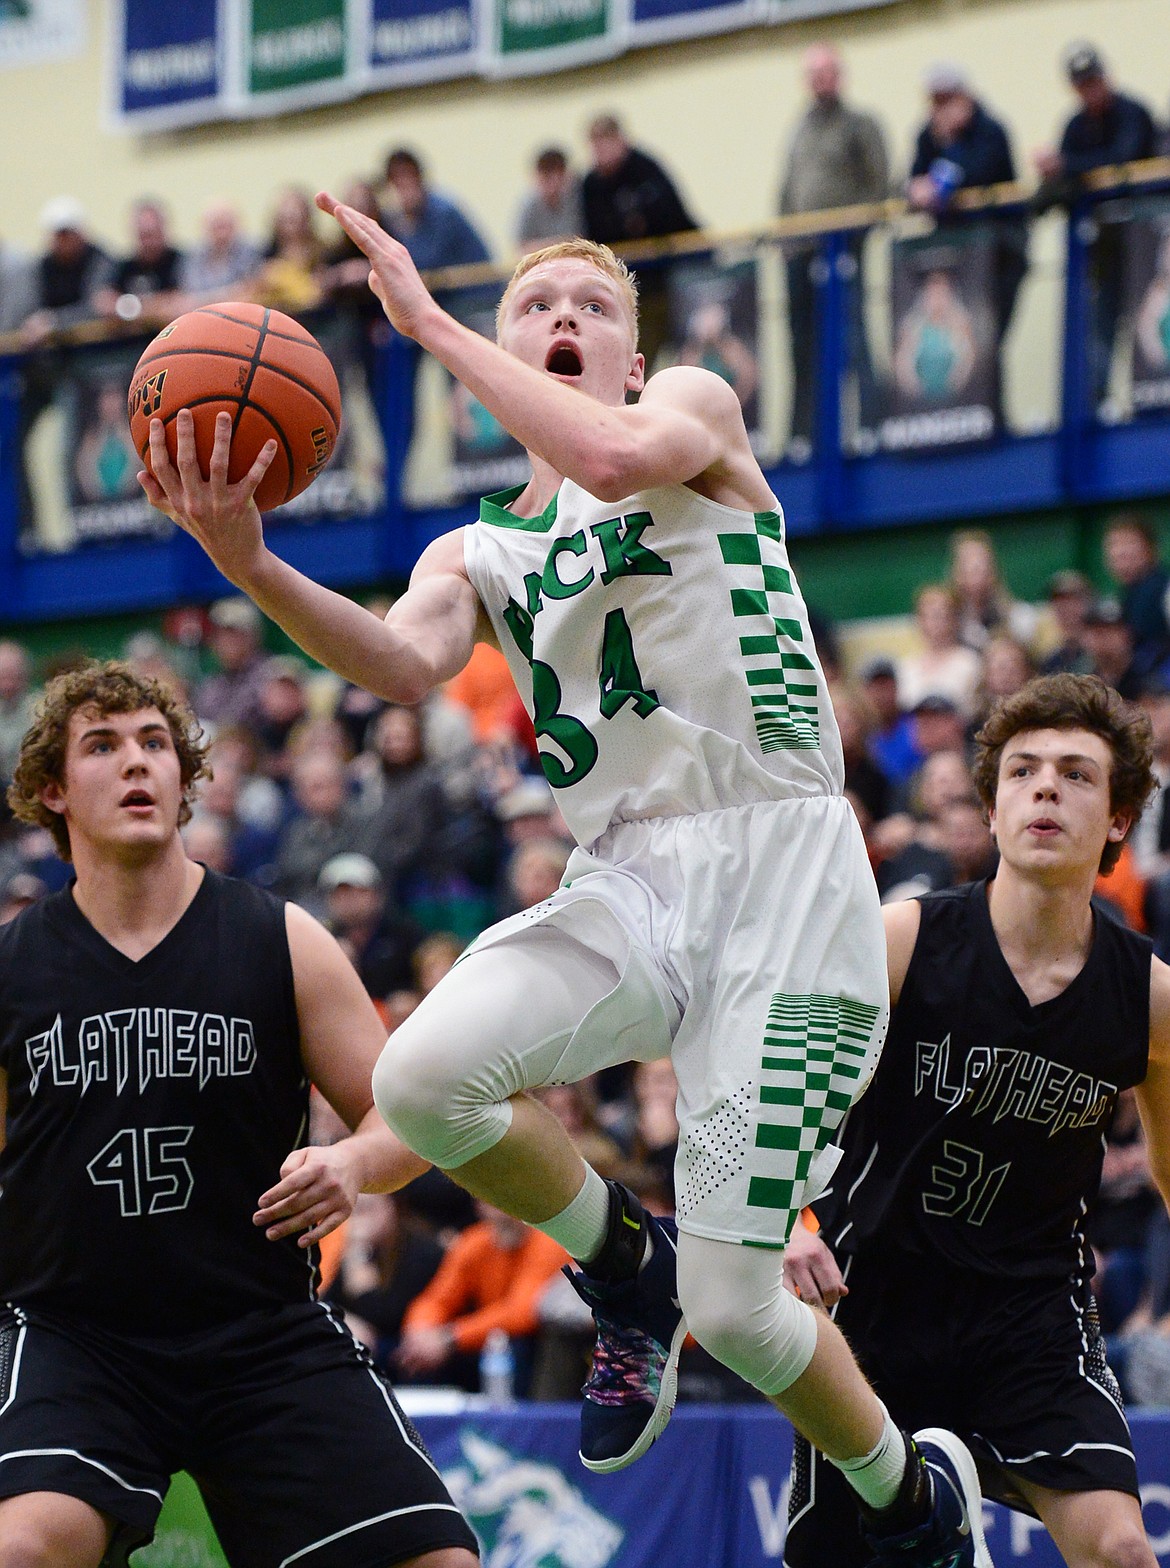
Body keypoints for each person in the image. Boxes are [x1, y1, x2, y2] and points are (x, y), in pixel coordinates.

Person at [141, 203, 995, 1567]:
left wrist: (421, 324)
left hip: (783, 866)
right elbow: (401, 667)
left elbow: (600, 450)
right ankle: (619, 1263)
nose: (560, 322)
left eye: (589, 310)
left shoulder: (689, 420)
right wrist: (245, 562)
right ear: (505, 344)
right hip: (630, 876)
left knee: (742, 1305)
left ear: (633, 357)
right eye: (532, 305)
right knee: (421, 1081)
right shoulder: (476, 549)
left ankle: (902, 1495)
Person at [0, 661, 479, 1568]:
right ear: (53, 790)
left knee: (439, 1564)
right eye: (102, 746)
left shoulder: (283, 937)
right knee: (22, 1550)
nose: (137, 763)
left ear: (184, 778)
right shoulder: (13, 966)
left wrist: (352, 1166)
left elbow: (402, 1120)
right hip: (75, 1338)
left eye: (154, 744)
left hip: (262, 1335)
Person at [783, 672, 1169, 1568]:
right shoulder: (901, 940)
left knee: (1120, 1548)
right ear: (991, 810)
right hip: (867, 1298)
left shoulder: (1147, 997)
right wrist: (787, 1222)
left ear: (1118, 820)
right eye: (1023, 771)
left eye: (1077, 774)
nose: (1044, 788)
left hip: (1030, 1312)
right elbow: (765, 1085)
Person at [777, 43, 889, 450]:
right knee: (803, 347)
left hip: (843, 247)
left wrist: (855, 232)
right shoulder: (801, 129)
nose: (821, 80)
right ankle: (806, 434)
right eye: (814, 73)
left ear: (839, 76)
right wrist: (786, 237)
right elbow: (788, 189)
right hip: (801, 252)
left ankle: (871, 425)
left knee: (852, 338)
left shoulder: (859, 125)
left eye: (827, 72)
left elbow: (878, 183)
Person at [1033, 45, 1158, 407]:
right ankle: (1098, 401)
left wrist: (1068, 166)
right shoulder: (1075, 126)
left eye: (1094, 80)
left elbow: (1122, 159)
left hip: (1146, 241)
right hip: (1104, 244)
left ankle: (1153, 398)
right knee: (1101, 320)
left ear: (1106, 76)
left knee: (1150, 316)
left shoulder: (1133, 113)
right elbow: (1065, 182)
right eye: (1082, 84)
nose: (1090, 89)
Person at [907, 63, 1028, 421]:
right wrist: (915, 189)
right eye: (935, 101)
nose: (940, 110)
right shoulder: (927, 137)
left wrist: (948, 154)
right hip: (958, 258)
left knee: (988, 340)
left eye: (947, 100)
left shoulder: (990, 131)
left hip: (1000, 255)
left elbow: (976, 174)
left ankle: (995, 419)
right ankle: (959, 415)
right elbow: (913, 184)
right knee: (969, 341)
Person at [581, 113, 698, 373]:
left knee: (688, 349)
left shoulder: (645, 169)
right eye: (595, 146)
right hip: (630, 285)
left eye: (606, 143)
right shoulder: (592, 185)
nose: (601, 153)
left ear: (620, 140)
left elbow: (672, 217)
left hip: (669, 276)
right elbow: (596, 235)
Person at [515, 146, 585, 253]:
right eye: (547, 177)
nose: (553, 185)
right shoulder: (529, 205)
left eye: (558, 177)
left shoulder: (578, 197)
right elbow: (521, 247)